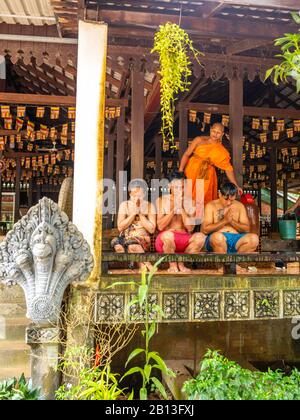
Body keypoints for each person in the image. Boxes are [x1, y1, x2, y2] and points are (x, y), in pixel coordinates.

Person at [179, 123, 243, 207]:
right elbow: (187, 154)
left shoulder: (222, 150)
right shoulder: (199, 140)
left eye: (218, 132)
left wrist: (236, 185)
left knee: (202, 198)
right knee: (187, 195)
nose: (215, 134)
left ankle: (201, 218)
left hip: (206, 175)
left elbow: (228, 169)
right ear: (210, 130)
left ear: (222, 134)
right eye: (214, 131)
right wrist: (180, 171)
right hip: (191, 171)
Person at [155, 172, 206, 273]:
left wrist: (181, 207)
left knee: (201, 237)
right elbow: (160, 226)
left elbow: (190, 228)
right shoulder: (161, 201)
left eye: (182, 187)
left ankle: (181, 263)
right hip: (166, 241)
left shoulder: (190, 202)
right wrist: (174, 209)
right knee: (168, 235)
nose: (180, 191)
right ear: (169, 186)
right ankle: (173, 264)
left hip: (184, 239)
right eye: (177, 187)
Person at [201, 182, 259, 254]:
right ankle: (222, 265)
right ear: (220, 194)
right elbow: (205, 230)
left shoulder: (239, 206)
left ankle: (236, 264)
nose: (228, 203)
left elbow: (246, 228)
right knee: (217, 237)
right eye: (226, 199)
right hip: (217, 238)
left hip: (236, 239)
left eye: (231, 200)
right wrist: (224, 221)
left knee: (254, 239)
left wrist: (231, 221)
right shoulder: (211, 206)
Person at [111, 181, 156, 272]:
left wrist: (139, 213)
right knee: (116, 243)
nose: (136, 198)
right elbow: (120, 227)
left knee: (132, 244)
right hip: (126, 237)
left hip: (143, 238)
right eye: (134, 195)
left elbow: (151, 229)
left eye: (139, 195)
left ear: (144, 194)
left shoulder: (150, 206)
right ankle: (142, 265)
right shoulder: (124, 205)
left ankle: (145, 265)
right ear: (129, 194)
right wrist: (133, 214)